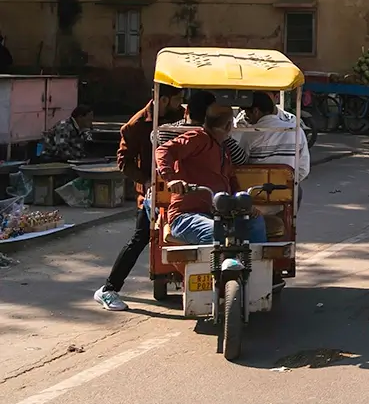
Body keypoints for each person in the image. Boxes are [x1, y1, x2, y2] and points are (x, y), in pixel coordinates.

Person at [93, 87, 182, 311]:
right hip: (151, 194)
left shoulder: (182, 117)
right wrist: (147, 181)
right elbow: (124, 162)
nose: (181, 103)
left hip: (179, 190)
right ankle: (108, 290)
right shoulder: (136, 125)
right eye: (178, 99)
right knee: (141, 238)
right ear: (163, 99)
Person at [155, 92, 265, 246]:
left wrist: (245, 205)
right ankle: (214, 269)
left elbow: (232, 180)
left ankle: (254, 267)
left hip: (219, 213)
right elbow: (163, 151)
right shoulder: (197, 138)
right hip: (187, 216)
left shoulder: (223, 148)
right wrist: (171, 179)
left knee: (256, 221)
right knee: (216, 231)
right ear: (228, 126)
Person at [235, 91, 311, 187]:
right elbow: (303, 169)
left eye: (247, 114)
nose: (247, 118)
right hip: (287, 190)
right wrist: (289, 184)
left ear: (255, 111)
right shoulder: (297, 131)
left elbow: (241, 162)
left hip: (256, 189)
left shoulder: (250, 134)